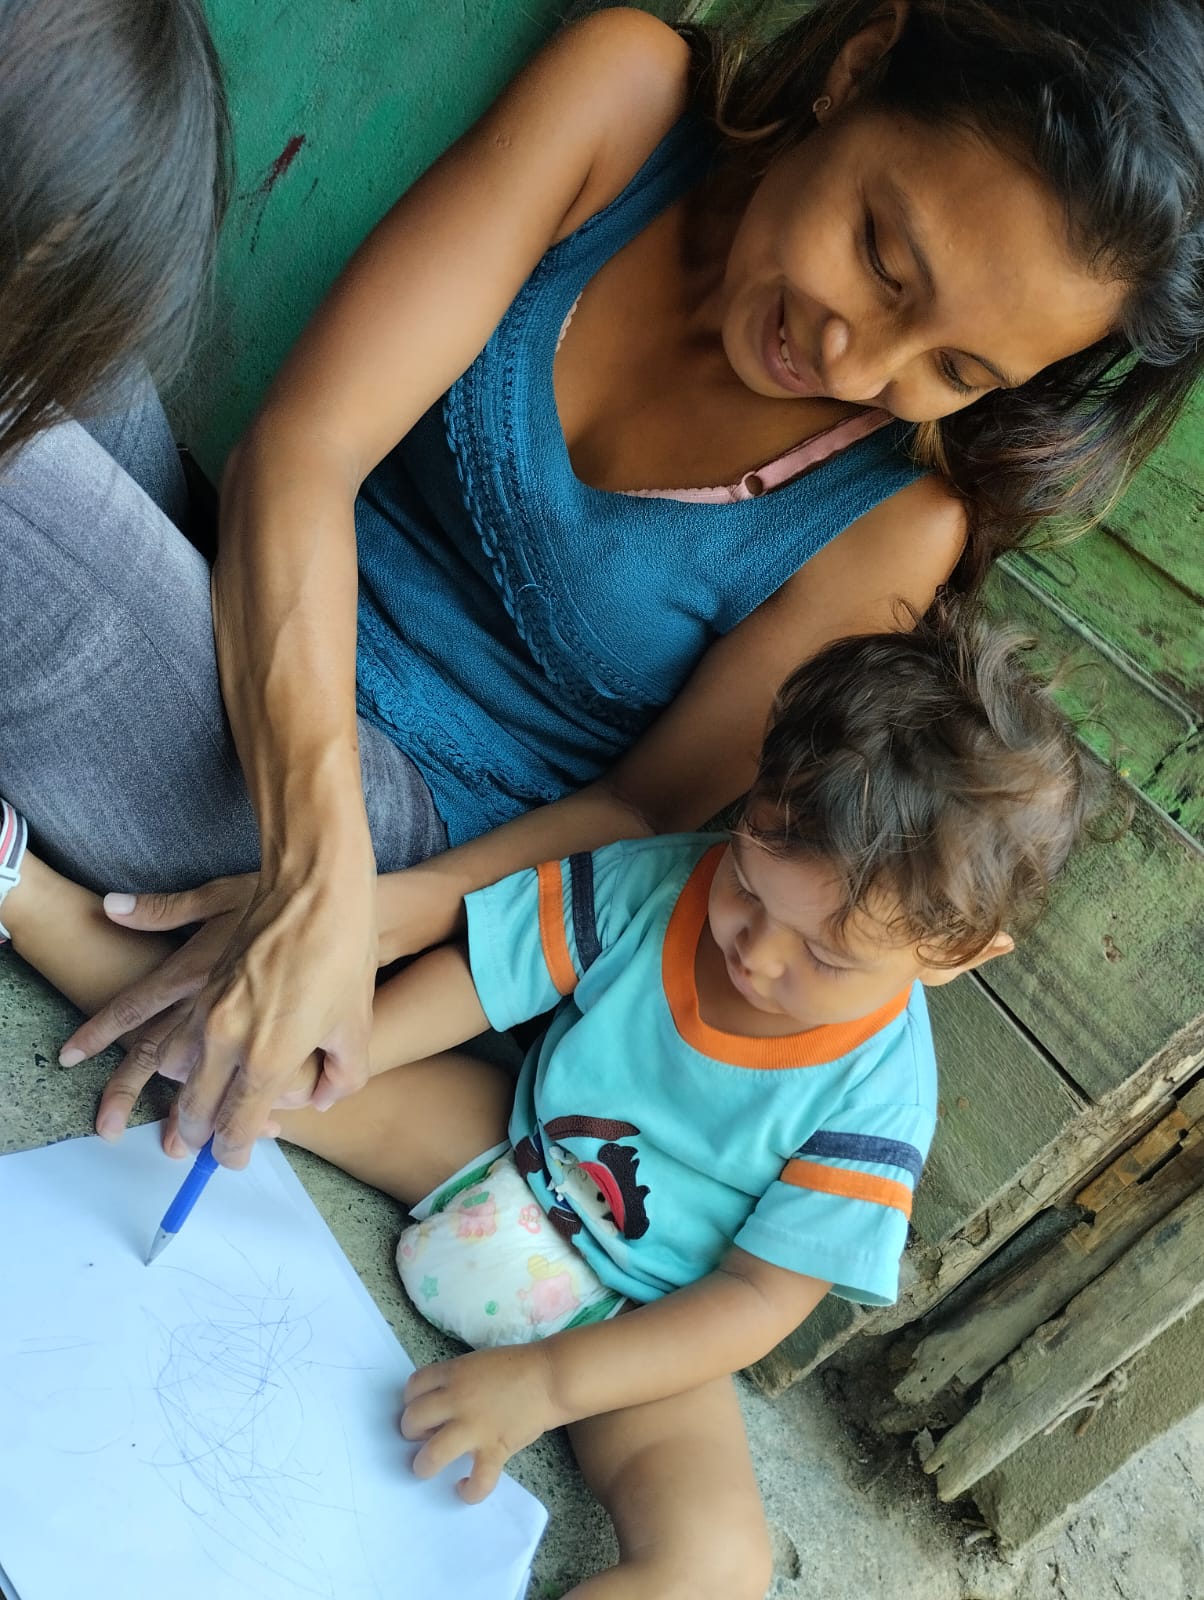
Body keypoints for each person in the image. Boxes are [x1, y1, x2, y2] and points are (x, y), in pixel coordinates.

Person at [28, 0, 1204, 1168]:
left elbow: (640, 817)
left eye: (955, 368)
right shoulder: (626, 102)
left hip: (406, 841)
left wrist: (346, 914)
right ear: (858, 66)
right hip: (253, 634)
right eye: (883, 260)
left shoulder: (894, 519)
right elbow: (305, 447)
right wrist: (310, 864)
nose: (860, 364)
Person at [0, 607, 1115, 1597]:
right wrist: (342, 1053)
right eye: (747, 884)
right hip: (505, 1147)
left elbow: (756, 1300)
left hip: (641, 1318)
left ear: (957, 954)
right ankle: (21, 888)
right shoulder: (663, 879)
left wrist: (548, 1381)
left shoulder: (879, 1102)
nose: (755, 952)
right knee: (255, 1052)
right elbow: (491, 975)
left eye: (825, 953)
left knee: (718, 1568)